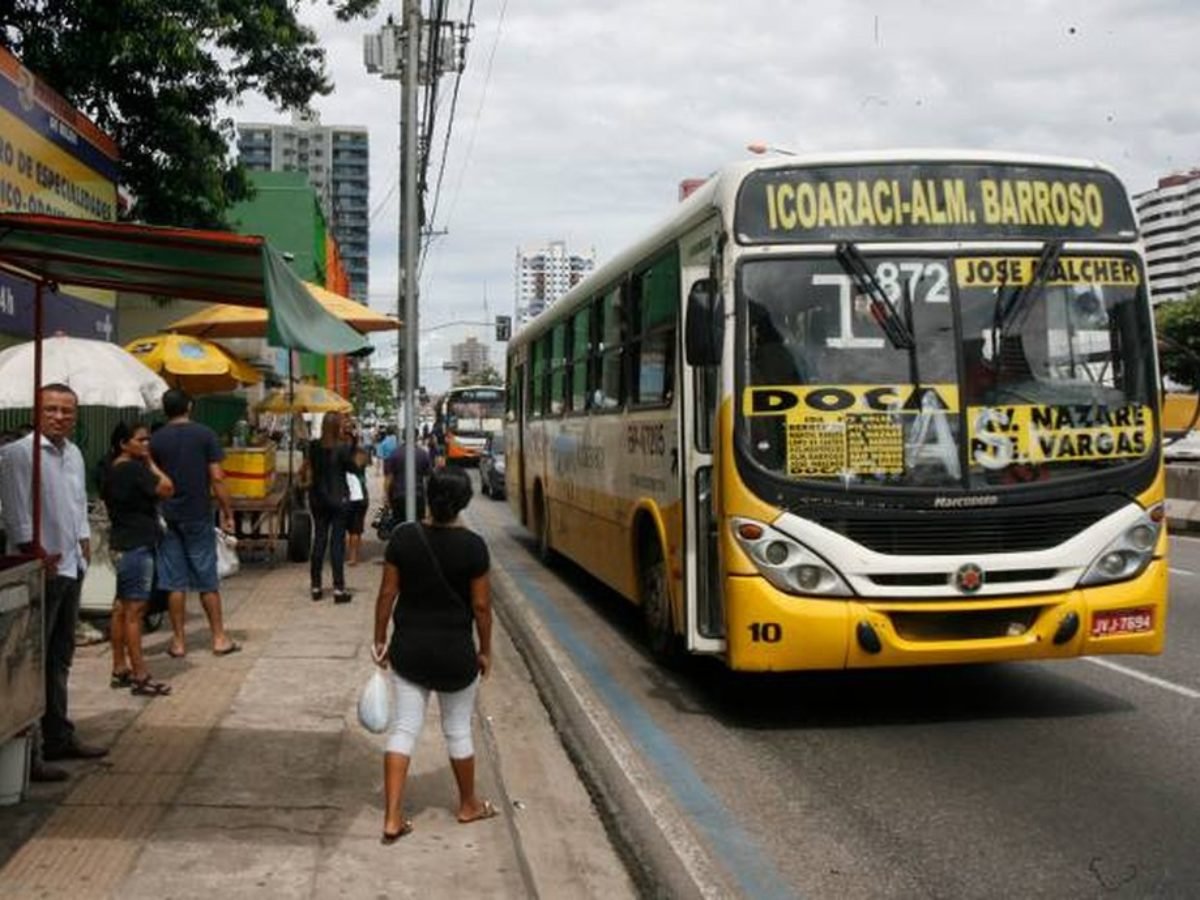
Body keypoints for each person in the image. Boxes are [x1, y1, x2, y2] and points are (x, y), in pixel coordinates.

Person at [371, 467, 496, 843]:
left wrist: (380, 638)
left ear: (428, 494)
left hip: (409, 650)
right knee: (457, 730)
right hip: (456, 655)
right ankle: (468, 805)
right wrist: (485, 651)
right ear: (463, 503)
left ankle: (393, 817)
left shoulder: (404, 537)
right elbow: (481, 608)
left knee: (404, 729)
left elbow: (387, 594)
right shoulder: (474, 547)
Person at [0, 384, 107, 781]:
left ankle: (58, 733)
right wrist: (35, 552)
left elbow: (77, 505)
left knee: (61, 657)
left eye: (67, 411)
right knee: (32, 662)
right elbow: (15, 514)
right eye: (52, 410)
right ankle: (31, 753)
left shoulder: (74, 453)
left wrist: (82, 544)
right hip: (40, 569)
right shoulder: (17, 455)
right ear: (37, 411)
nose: (60, 417)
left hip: (70, 566)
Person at [150, 388, 240, 658]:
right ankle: (219, 638)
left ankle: (178, 642)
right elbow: (217, 477)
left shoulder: (156, 440)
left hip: (167, 517)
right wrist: (227, 511)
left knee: (174, 582)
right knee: (206, 579)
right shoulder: (205, 435)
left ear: (165, 410)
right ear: (189, 406)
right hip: (198, 515)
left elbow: (152, 477)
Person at [101, 422, 175, 696]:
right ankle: (140, 674)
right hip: (137, 546)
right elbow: (167, 488)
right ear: (124, 443)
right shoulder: (133, 469)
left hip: (121, 543)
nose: (147, 445)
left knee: (121, 608)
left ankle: (120, 667)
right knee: (134, 612)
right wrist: (151, 462)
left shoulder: (111, 469)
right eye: (141, 440)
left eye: (148, 441)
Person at [300, 411, 353, 602]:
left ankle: (316, 587)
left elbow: (310, 468)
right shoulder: (343, 447)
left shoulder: (314, 446)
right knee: (337, 543)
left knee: (320, 539)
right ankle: (339, 589)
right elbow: (353, 468)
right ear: (338, 426)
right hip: (338, 498)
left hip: (318, 498)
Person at [384, 436, 431, 523]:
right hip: (418, 495)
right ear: (417, 438)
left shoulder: (394, 453)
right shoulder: (424, 454)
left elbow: (388, 478)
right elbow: (428, 479)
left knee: (399, 525)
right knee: (417, 525)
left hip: (398, 495)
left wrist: (386, 497)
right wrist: (429, 500)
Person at [346, 445, 370, 566]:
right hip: (362, 498)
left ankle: (353, 556)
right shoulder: (362, 465)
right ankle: (355, 555)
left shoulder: (350, 465)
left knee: (353, 529)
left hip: (353, 498)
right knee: (357, 528)